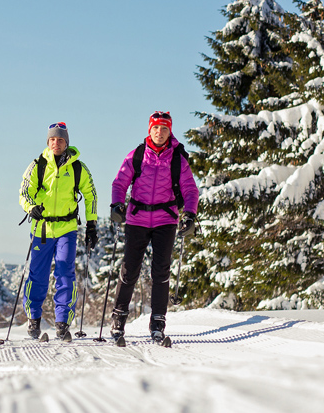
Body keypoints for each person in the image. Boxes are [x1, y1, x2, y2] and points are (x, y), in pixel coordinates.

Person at [108, 111, 199, 346]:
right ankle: (118, 319)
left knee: (161, 273)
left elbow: (190, 189)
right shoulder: (137, 155)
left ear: (170, 131)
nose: (159, 132)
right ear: (150, 130)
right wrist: (117, 204)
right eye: (156, 128)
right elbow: (120, 182)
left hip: (165, 220)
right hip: (137, 219)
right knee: (129, 271)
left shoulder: (177, 159)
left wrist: (190, 214)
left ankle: (158, 323)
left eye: (164, 128)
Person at [18, 122, 98, 341]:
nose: (56, 143)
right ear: (48, 141)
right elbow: (24, 192)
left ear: (66, 142)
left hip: (67, 229)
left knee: (65, 273)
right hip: (42, 228)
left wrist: (92, 224)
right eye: (52, 139)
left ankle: (62, 323)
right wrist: (31, 208)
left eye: (60, 139)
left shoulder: (78, 167)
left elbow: (91, 194)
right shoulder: (37, 165)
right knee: (38, 274)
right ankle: (33, 319)